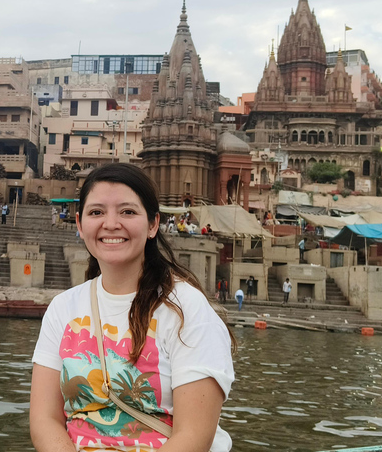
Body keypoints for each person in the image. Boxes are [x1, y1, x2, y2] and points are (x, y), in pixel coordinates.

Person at [30, 163, 234, 452]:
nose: (111, 224)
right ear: (79, 224)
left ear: (153, 224)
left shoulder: (186, 309)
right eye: (96, 212)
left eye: (127, 211)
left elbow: (193, 436)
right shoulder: (63, 308)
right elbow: (44, 419)